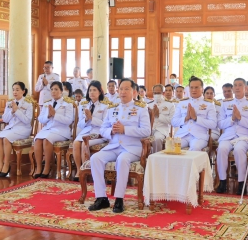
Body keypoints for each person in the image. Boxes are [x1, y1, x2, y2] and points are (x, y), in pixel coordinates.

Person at [88, 78, 151, 213]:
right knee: (95, 158)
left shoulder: (141, 109)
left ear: (134, 92)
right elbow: (102, 129)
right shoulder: (112, 109)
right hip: (114, 146)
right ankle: (101, 198)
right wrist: (111, 131)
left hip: (132, 147)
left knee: (122, 160)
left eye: (126, 89)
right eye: (121, 89)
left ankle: (119, 199)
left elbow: (147, 131)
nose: (122, 92)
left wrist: (125, 130)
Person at [216, 78, 248, 195]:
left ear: (245, 88)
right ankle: (222, 181)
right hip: (228, 136)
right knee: (222, 148)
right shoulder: (225, 103)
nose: (237, 87)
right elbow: (220, 123)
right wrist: (231, 119)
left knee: (239, 150)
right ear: (233, 88)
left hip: (244, 136)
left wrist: (240, 118)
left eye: (240, 85)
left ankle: (241, 183)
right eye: (235, 85)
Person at [33, 81, 75, 179]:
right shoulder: (47, 103)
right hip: (48, 129)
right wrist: (48, 115)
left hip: (62, 130)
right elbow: (40, 119)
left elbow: (69, 120)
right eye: (52, 89)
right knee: (38, 140)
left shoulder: (67, 104)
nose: (53, 92)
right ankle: (39, 168)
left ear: (61, 91)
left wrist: (55, 115)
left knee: (47, 140)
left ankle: (47, 167)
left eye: (56, 89)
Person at [73, 81, 110, 182]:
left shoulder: (105, 106)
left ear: (99, 92)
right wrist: (86, 119)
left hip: (99, 132)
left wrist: (92, 118)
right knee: (76, 143)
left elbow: (105, 124)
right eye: (90, 90)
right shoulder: (84, 105)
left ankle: (87, 171)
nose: (92, 92)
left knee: (85, 144)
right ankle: (78, 170)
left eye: (94, 90)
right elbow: (79, 124)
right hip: (86, 130)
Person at [0, 82, 33, 177]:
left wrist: (17, 110)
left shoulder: (28, 104)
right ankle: (0, 165)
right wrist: (12, 111)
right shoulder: (9, 103)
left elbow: (27, 120)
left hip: (23, 129)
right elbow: (5, 119)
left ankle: (7, 164)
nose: (15, 92)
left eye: (17, 89)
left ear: (23, 91)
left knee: (6, 139)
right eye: (13, 89)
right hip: (11, 128)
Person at [171, 77, 217, 151]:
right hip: (182, 135)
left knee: (195, 147)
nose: (193, 90)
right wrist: (186, 118)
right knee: (172, 147)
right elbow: (173, 122)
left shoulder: (209, 104)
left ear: (202, 89)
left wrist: (196, 118)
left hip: (199, 136)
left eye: (196, 87)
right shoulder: (182, 102)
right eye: (191, 87)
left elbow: (213, 124)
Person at [147, 84, 175, 152]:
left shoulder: (170, 105)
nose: (156, 95)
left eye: (158, 93)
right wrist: (151, 115)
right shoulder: (148, 104)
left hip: (162, 130)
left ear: (163, 93)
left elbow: (172, 121)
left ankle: (156, 157)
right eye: (155, 93)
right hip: (149, 129)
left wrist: (158, 115)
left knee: (157, 138)